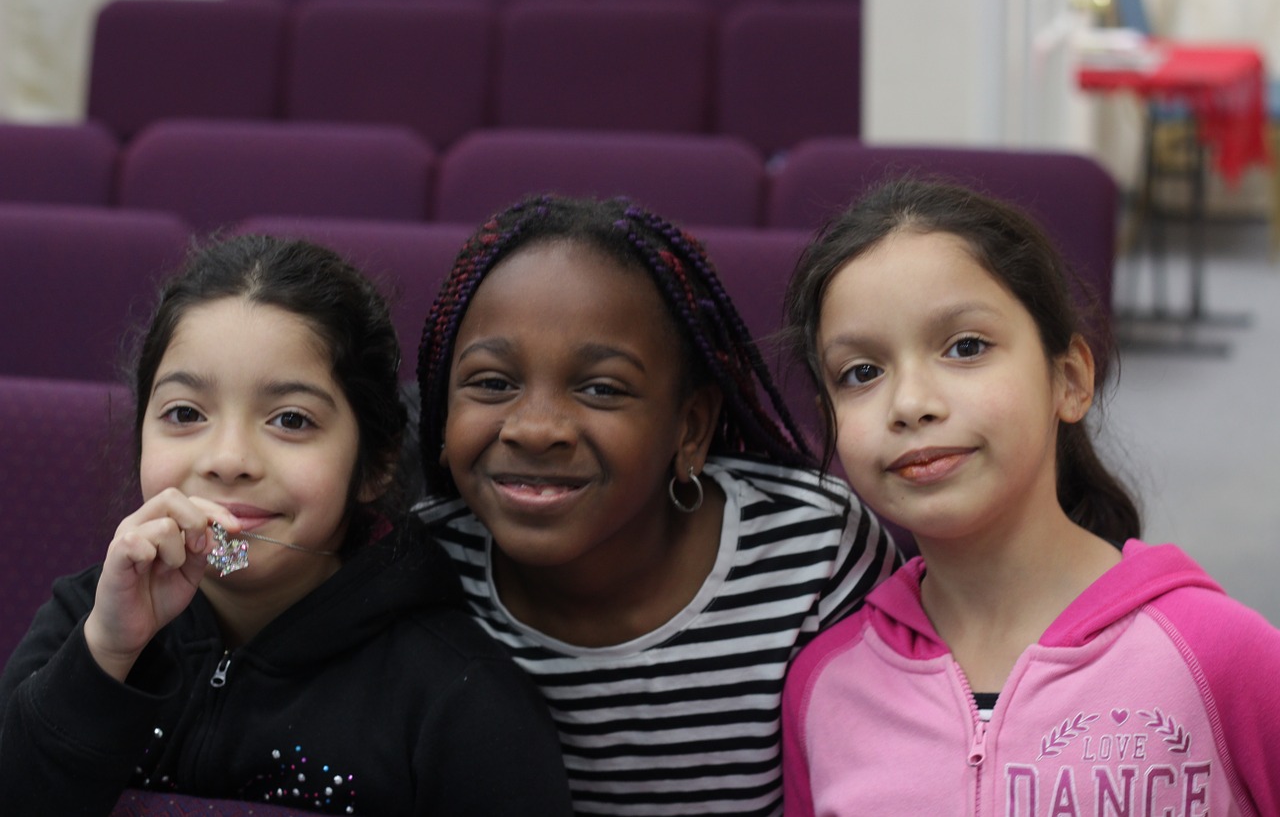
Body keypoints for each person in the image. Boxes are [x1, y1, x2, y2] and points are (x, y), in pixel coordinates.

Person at [0, 234, 573, 816]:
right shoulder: (86, 619)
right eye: (185, 413)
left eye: (291, 420)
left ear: (376, 462)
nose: (228, 460)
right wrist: (106, 652)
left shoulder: (460, 696)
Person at [779, 178, 1280, 816]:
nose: (909, 404)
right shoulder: (825, 685)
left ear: (1068, 380)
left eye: (966, 347)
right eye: (862, 373)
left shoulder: (1217, 655)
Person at [412, 195, 900, 816]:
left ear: (690, 428)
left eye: (601, 388)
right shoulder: (416, 569)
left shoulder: (814, 551)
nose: (535, 429)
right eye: (492, 383)